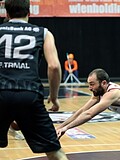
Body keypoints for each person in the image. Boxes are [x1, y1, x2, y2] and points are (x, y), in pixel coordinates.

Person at [0, 0, 68, 159]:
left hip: (1, 91)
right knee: (54, 151)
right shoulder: (43, 33)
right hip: (29, 94)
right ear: (29, 13)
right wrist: (54, 97)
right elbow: (54, 67)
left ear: (7, 14)